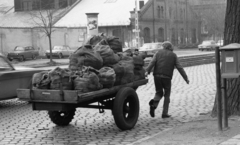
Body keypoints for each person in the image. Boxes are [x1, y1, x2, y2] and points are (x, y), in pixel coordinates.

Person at [145, 41, 189, 118]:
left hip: (157, 76)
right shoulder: (173, 55)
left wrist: (147, 71)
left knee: (159, 92)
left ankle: (154, 104)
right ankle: (164, 113)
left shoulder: (158, 53)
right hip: (167, 77)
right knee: (167, 94)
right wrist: (186, 78)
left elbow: (152, 62)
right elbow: (179, 67)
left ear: (163, 46)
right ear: (170, 47)